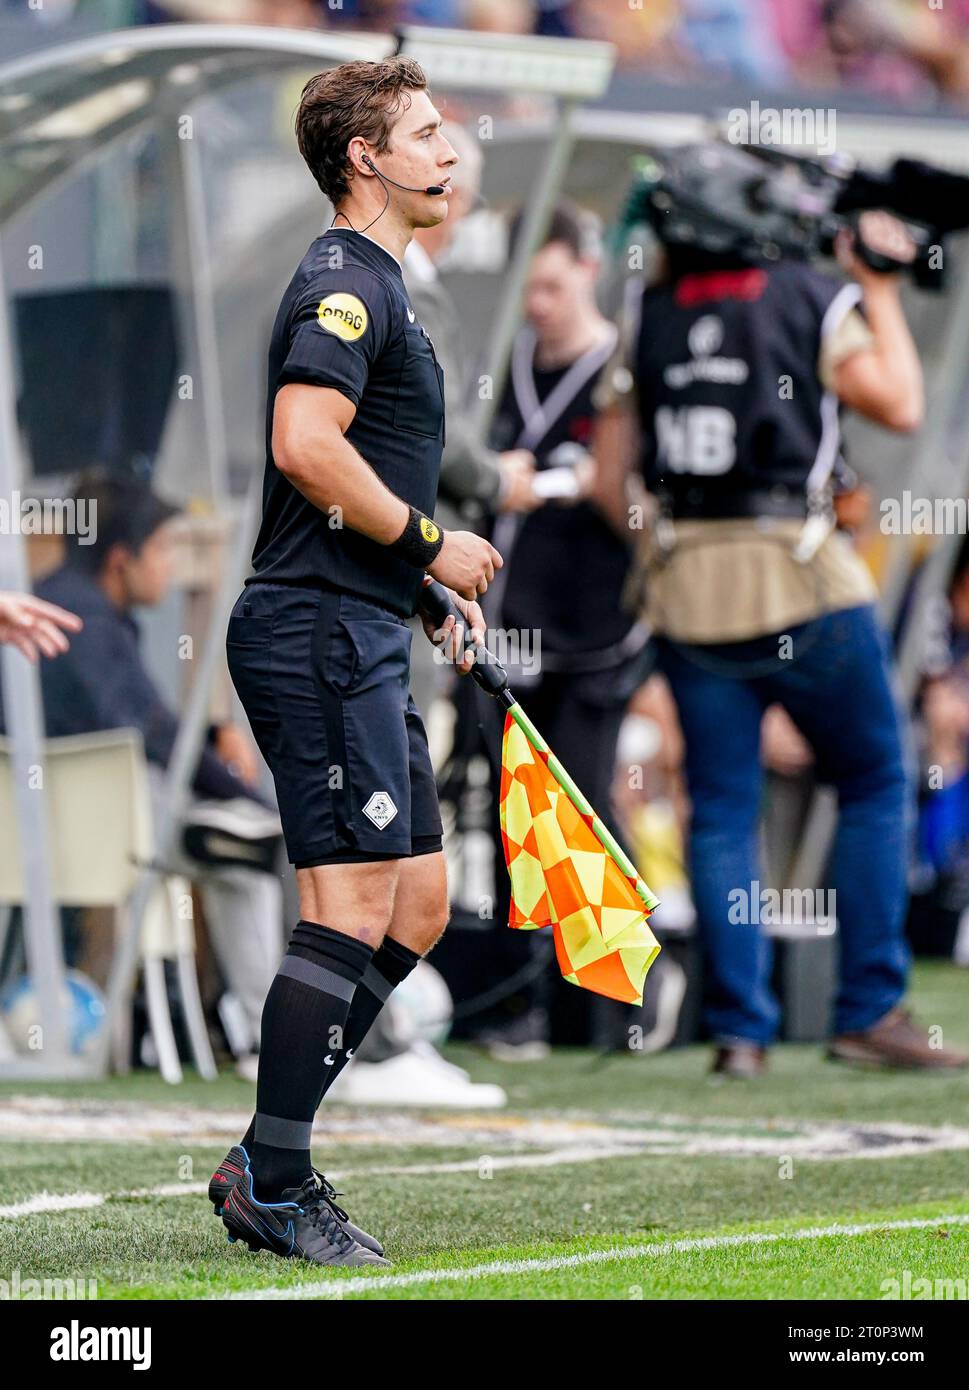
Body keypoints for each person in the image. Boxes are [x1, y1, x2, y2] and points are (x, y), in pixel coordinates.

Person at [212, 56, 504, 1268]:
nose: (450, 150)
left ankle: (262, 1154)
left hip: (360, 619)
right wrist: (434, 539)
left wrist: (414, 582)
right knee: (345, 904)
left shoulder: (380, 283)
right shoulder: (344, 282)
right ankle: (276, 1178)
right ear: (364, 159)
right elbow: (301, 442)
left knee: (419, 905)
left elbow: (350, 478)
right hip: (313, 632)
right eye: (426, 132)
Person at [594, 156, 969, 1078]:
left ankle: (741, 1033)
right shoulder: (807, 293)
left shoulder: (652, 313)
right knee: (877, 779)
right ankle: (868, 1010)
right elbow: (902, 400)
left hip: (687, 587)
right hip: (800, 579)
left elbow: (612, 481)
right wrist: (877, 285)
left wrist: (672, 547)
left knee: (721, 809)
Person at [11, 470, 286, 1077]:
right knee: (253, 844)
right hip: (113, 844)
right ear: (120, 559)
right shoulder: (91, 627)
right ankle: (274, 1035)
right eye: (162, 549)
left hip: (21, 847)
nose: (170, 565)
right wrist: (257, 801)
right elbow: (154, 737)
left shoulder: (36, 606)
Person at [471, 201, 650, 1055]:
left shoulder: (622, 367)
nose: (538, 303)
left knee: (589, 813)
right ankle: (519, 1005)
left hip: (597, 628)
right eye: (526, 287)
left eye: (551, 283)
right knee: (513, 821)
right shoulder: (507, 367)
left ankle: (605, 1011)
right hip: (511, 628)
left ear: (586, 268)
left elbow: (644, 501)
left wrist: (608, 491)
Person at [403, 119, 538, 724]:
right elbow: (440, 437)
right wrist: (499, 481)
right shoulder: (402, 288)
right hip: (397, 573)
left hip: (404, 577)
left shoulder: (389, 280)